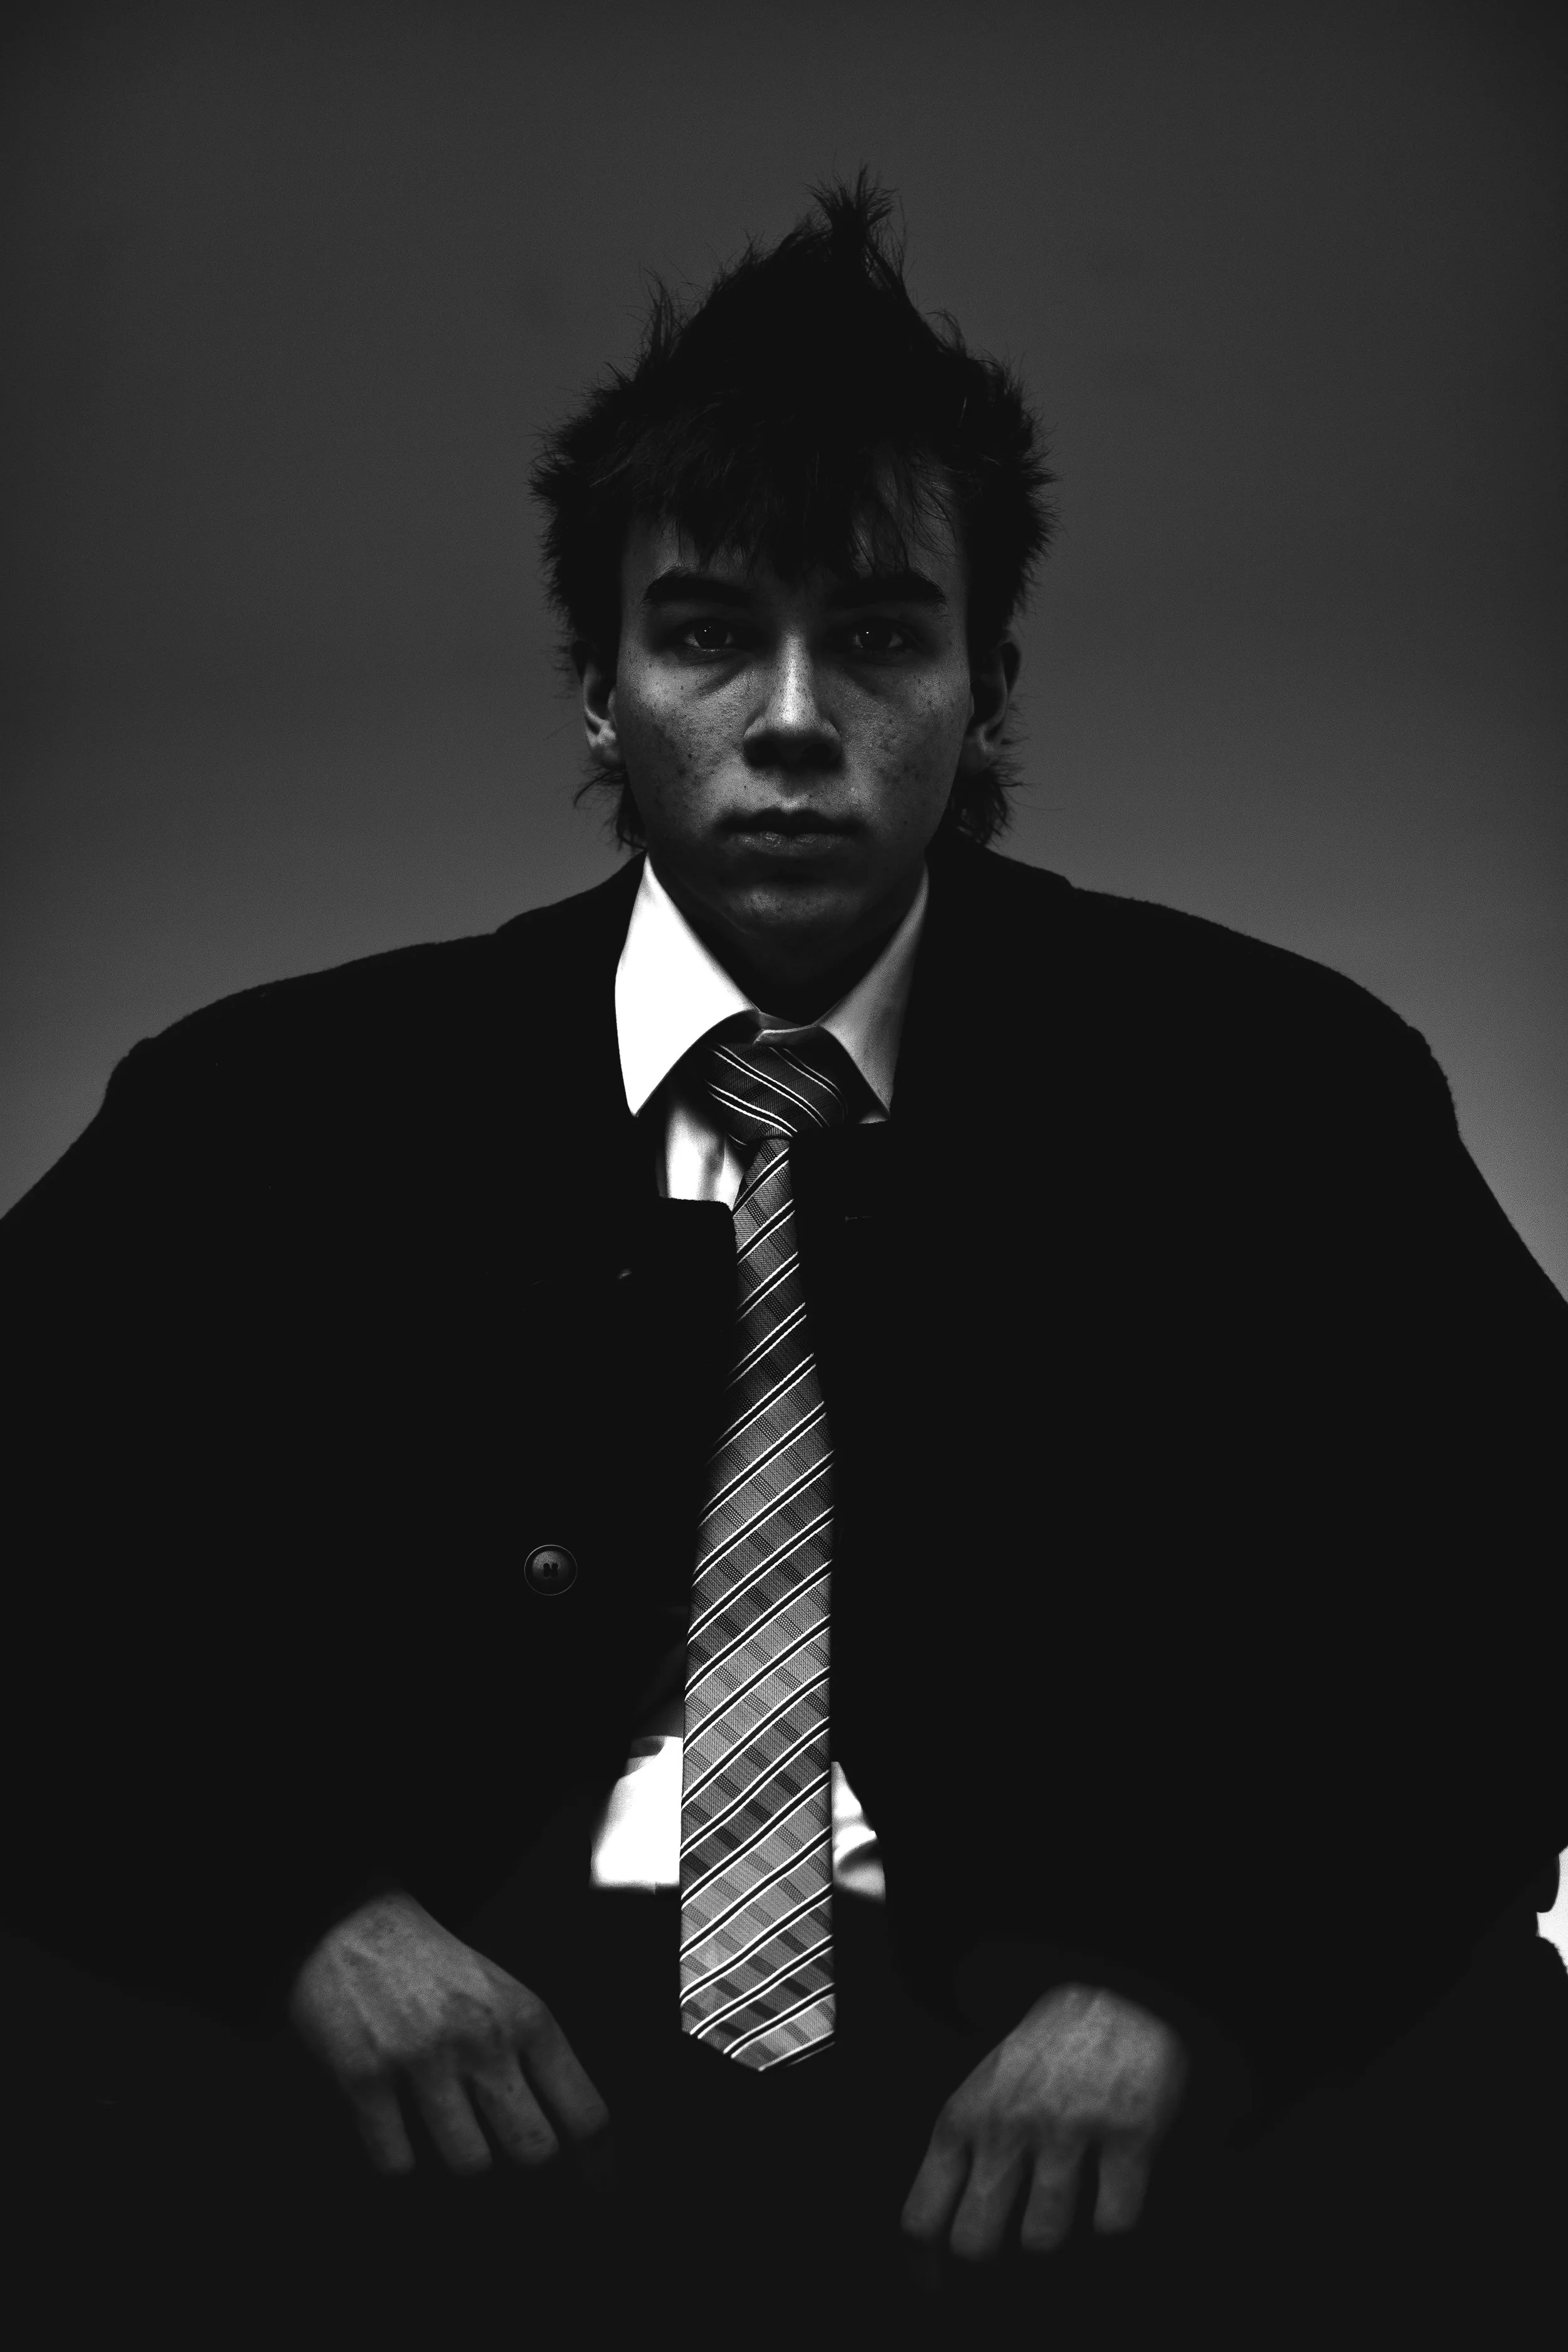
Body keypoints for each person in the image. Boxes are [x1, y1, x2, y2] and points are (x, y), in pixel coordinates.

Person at [3, 174, 1564, 2347]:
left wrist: (1197, 1991)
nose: (799, 714)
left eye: (886, 634)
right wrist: (292, 1920)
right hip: (434, 2052)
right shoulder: (271, 1106)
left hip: (1056, 2059)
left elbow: (1507, 1601)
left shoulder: (1280, 1086)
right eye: (712, 629)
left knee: (1494, 2095)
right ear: (599, 688)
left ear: (984, 685)